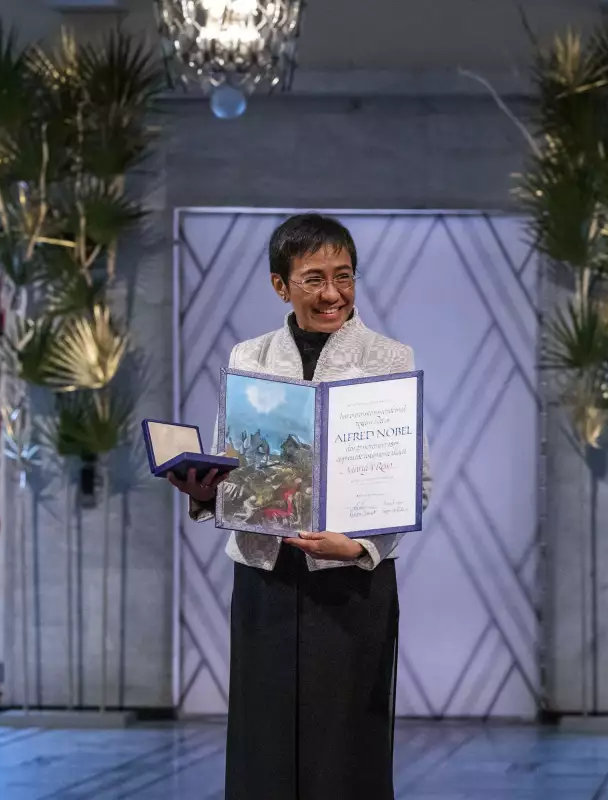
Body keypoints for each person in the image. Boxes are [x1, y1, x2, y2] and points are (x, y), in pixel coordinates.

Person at [168, 213, 431, 799]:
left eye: (344, 276)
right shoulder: (249, 356)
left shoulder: (389, 356)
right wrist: (208, 493)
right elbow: (234, 470)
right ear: (280, 285)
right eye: (313, 279)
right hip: (264, 577)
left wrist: (361, 548)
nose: (332, 293)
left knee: (346, 752)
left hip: (351, 582)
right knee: (263, 749)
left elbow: (416, 480)